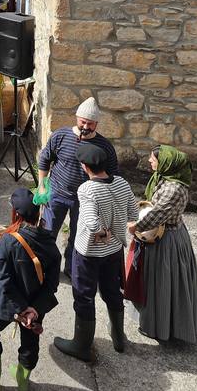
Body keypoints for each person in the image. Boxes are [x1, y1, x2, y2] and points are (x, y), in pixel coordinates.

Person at [0, 187, 61, 391]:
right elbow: (51, 285)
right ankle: (22, 380)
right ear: (38, 214)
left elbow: (4, 279)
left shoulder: (9, 240)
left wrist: (21, 308)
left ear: (16, 214)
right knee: (30, 340)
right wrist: (33, 310)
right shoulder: (49, 242)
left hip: (6, 301)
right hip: (36, 302)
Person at [54, 142, 137, 363]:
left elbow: (90, 221)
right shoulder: (121, 182)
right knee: (112, 291)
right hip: (114, 252)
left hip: (88, 253)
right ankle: (119, 339)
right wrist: (113, 229)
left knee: (84, 296)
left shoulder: (87, 188)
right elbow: (134, 212)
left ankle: (81, 345)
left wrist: (102, 232)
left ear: (84, 166)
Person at [36, 96, 120, 275]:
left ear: (97, 123)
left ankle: (70, 268)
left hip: (85, 201)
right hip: (57, 194)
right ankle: (44, 268)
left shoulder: (105, 146)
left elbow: (113, 174)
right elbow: (44, 159)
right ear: (77, 118)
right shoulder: (61, 136)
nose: (86, 127)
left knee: (77, 237)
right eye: (83, 122)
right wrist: (42, 186)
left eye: (91, 124)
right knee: (48, 233)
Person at [129, 145, 197, 344]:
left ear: (167, 163)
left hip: (167, 239)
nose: (150, 162)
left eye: (153, 159)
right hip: (158, 236)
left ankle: (164, 326)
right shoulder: (164, 178)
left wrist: (135, 226)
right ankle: (154, 320)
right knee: (153, 280)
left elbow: (157, 214)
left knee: (163, 282)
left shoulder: (174, 188)